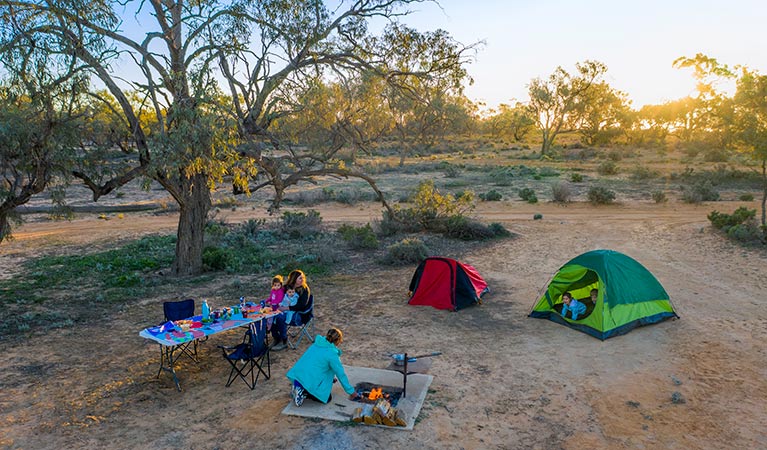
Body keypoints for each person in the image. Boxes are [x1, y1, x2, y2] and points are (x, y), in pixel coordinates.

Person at [286, 327, 358, 407]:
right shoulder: (332, 354)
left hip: (299, 375)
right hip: (310, 377)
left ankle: (298, 386)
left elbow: (317, 365)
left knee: (314, 375)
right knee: (326, 398)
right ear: (338, 341)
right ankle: (304, 392)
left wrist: (330, 378)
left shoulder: (317, 344)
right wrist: (351, 392)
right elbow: (340, 374)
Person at [270, 269, 311, 351]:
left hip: (299, 315)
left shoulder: (304, 289)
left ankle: (284, 341)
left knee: (280, 318)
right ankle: (276, 338)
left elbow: (301, 305)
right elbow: (278, 296)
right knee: (271, 316)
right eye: (300, 278)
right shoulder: (286, 287)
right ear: (294, 279)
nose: (302, 279)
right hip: (284, 310)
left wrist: (286, 308)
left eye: (302, 277)